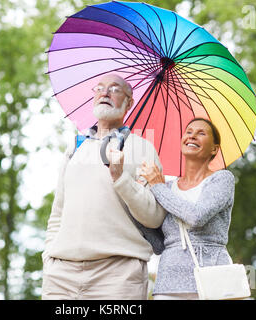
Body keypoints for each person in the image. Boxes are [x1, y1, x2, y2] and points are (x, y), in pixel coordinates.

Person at [41, 74, 166, 300]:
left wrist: (120, 178)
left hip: (118, 275)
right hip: (61, 276)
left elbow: (154, 217)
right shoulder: (75, 146)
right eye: (99, 88)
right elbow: (57, 212)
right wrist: (49, 257)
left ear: (130, 102)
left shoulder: (144, 149)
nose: (105, 93)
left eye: (115, 89)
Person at [139, 118, 236, 300]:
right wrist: (138, 198)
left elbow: (196, 217)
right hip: (169, 285)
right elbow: (160, 245)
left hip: (213, 279)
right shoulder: (166, 187)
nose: (192, 136)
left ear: (214, 149)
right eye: (189, 132)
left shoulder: (222, 179)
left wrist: (156, 188)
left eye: (201, 133)